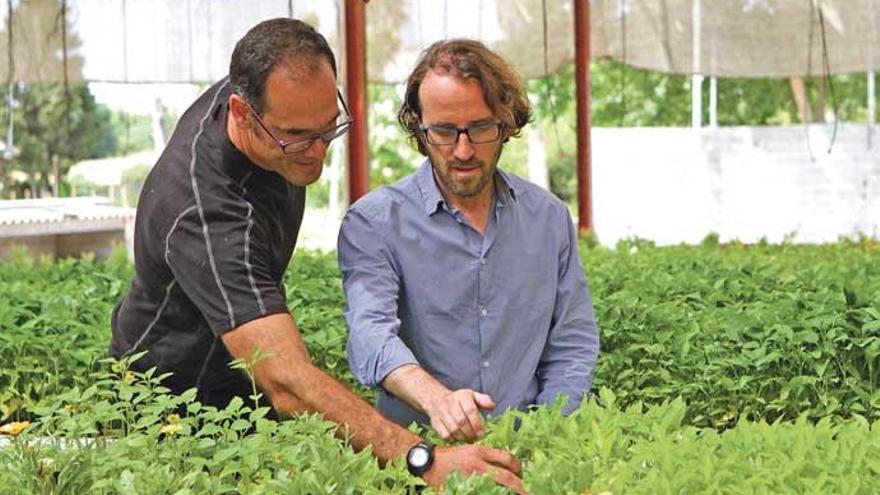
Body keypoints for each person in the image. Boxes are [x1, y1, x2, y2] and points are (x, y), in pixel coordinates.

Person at [109, 19, 525, 492]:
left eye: (328, 128)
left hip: (245, 391)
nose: (318, 152)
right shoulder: (206, 213)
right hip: (170, 408)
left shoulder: (268, 90)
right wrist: (424, 460)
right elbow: (286, 380)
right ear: (242, 113)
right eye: (297, 136)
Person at [338, 39, 600, 442]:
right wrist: (437, 401)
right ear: (419, 128)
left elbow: (572, 342)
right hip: (419, 453)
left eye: (479, 129)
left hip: (528, 449)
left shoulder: (548, 219)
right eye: (444, 131)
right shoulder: (375, 223)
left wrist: (546, 435)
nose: (463, 151)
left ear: (506, 122)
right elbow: (370, 335)